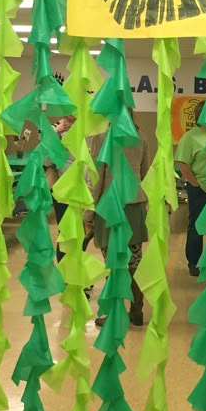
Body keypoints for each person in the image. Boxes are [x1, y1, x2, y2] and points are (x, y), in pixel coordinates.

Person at [85, 117, 151, 327]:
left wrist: (88, 214)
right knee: (133, 261)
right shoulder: (140, 136)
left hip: (109, 206)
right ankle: (137, 310)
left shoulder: (102, 138)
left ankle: (113, 312)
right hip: (134, 205)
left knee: (113, 263)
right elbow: (145, 172)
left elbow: (96, 179)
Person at [174, 100, 206, 277]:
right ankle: (194, 262)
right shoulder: (190, 138)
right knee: (196, 226)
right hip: (199, 188)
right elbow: (182, 162)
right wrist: (195, 183)